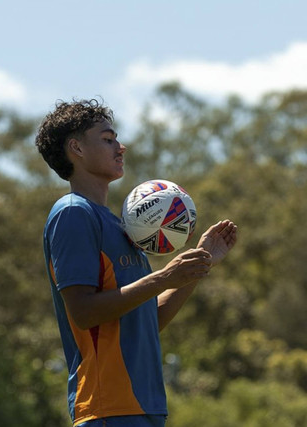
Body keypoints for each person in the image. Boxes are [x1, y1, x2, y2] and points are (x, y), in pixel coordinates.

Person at [36, 99, 238, 427]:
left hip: (146, 406)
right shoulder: (73, 213)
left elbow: (148, 320)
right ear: (76, 148)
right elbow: (84, 313)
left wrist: (196, 268)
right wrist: (163, 277)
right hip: (107, 407)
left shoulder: (120, 226)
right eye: (108, 139)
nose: (121, 147)